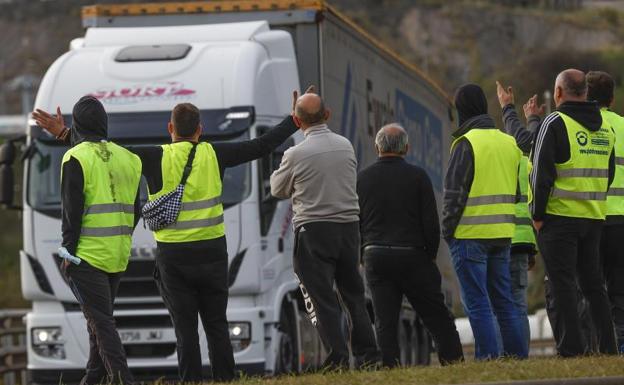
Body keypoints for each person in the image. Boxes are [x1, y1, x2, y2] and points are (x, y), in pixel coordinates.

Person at [33, 90, 302, 382]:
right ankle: (226, 379)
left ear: (170, 128)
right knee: (217, 324)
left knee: (185, 329)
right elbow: (262, 146)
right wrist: (293, 121)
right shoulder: (215, 153)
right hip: (212, 254)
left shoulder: (154, 156)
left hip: (173, 258)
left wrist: (65, 133)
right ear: (200, 130)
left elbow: (103, 155)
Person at [270, 92, 380, 369]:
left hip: (313, 230)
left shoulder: (295, 154)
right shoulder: (346, 146)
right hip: (348, 229)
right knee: (354, 295)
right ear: (327, 115)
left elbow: (277, 188)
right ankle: (368, 356)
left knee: (322, 299)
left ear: (297, 120)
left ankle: (338, 358)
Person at [357, 123, 464, 367]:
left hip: (376, 255)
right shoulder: (418, 177)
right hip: (413, 256)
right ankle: (454, 362)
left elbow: (357, 222)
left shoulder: (362, 179)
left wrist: (364, 255)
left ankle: (389, 369)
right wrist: (430, 256)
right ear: (407, 147)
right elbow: (430, 223)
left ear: (377, 147)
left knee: (385, 320)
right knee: (436, 315)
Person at [530, 68, 617, 356]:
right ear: (586, 93)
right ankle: (608, 348)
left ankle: (572, 350)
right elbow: (610, 172)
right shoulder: (605, 127)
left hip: (559, 220)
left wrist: (537, 216)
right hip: (593, 218)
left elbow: (540, 173)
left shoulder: (555, 122)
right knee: (594, 286)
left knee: (563, 284)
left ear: (558, 93)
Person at [56, 96, 141, 385]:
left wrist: (67, 255)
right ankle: (92, 379)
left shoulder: (74, 157)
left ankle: (123, 380)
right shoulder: (128, 157)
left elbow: (72, 212)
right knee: (98, 322)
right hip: (117, 255)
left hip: (86, 257)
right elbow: (136, 207)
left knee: (102, 324)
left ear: (77, 124)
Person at [442, 83, 527, 360]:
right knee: (505, 302)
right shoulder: (509, 143)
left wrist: (448, 232)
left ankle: (488, 359)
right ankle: (516, 359)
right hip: (502, 234)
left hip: (469, 236)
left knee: (478, 303)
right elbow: (516, 192)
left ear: (461, 110)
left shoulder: (466, 143)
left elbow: (454, 194)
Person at [496, 83, 542, 348]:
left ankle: (505, 353)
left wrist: (507, 108)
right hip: (524, 242)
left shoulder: (507, 159)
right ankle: (520, 352)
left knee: (500, 301)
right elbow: (530, 141)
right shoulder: (531, 164)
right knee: (518, 302)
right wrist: (532, 119)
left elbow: (521, 138)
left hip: (500, 238)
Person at [587, 70, 624, 353]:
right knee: (619, 290)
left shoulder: (582, 127)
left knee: (590, 288)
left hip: (592, 218)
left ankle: (596, 347)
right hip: (621, 221)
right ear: (612, 98)